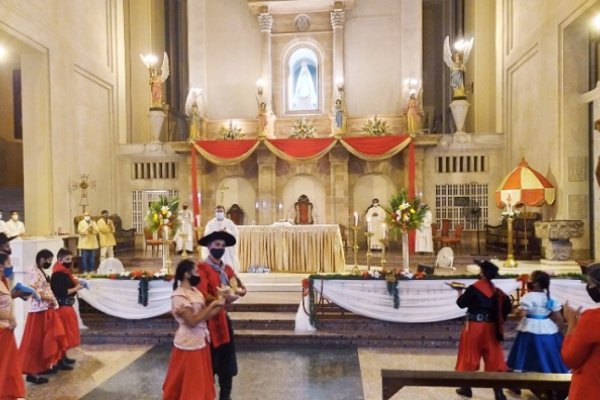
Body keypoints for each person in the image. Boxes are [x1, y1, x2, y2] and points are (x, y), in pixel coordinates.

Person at [162, 259, 225, 400]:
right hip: (188, 345)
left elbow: (205, 316)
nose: (199, 274)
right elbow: (192, 322)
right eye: (196, 271)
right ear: (187, 274)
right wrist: (212, 305)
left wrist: (220, 304)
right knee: (191, 384)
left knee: (201, 382)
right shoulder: (179, 296)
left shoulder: (195, 291)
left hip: (200, 341)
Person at [196, 231, 247, 400]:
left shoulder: (227, 269)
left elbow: (238, 285)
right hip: (207, 321)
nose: (220, 248)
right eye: (217, 245)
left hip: (223, 321)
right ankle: (208, 394)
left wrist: (240, 291)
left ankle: (226, 395)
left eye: (223, 246)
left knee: (226, 362)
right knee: (209, 362)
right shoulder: (202, 268)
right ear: (209, 246)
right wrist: (221, 299)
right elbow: (201, 293)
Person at [454, 260, 511, 400]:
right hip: (491, 327)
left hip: (474, 326)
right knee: (494, 359)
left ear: (482, 273)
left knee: (469, 356)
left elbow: (461, 304)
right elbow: (507, 306)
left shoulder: (474, 288)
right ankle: (499, 393)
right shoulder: (497, 291)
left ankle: (466, 388)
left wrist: (459, 292)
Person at [19, 249, 68, 384]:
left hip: (46, 309)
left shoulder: (40, 270)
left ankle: (42, 366)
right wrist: (49, 298)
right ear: (42, 259)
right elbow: (33, 291)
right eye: (49, 260)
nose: (50, 263)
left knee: (44, 341)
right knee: (35, 342)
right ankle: (31, 371)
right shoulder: (34, 271)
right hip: (38, 311)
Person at [507, 270, 568, 374]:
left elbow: (522, 315)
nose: (528, 281)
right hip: (547, 326)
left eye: (530, 278)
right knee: (549, 352)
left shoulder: (529, 296)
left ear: (535, 283)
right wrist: (562, 330)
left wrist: (517, 311)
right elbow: (559, 318)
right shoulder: (550, 297)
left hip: (529, 327)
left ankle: (521, 375)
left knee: (525, 352)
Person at [561, 263, 600, 400]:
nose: (589, 287)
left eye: (590, 283)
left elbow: (570, 358)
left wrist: (572, 323)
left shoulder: (593, 318)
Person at [0, 252, 31, 399]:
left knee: (9, 368)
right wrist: (10, 317)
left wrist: (16, 295)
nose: (10, 266)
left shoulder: (4, 280)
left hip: (6, 330)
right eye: (8, 263)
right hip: (1, 329)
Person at [50, 248, 85, 368]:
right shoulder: (58, 274)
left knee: (67, 334)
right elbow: (62, 292)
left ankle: (64, 357)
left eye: (71, 259)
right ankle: (60, 360)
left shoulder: (64, 272)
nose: (70, 262)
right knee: (63, 335)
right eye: (67, 259)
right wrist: (76, 288)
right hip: (62, 309)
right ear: (60, 260)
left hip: (67, 307)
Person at [202, 206, 241, 272]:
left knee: (227, 264)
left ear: (224, 212)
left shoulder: (229, 222)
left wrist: (227, 231)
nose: (219, 213)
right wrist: (216, 233)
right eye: (217, 211)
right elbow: (207, 233)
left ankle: (228, 272)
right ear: (215, 213)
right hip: (215, 247)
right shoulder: (210, 223)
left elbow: (236, 232)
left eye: (221, 211)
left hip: (226, 247)